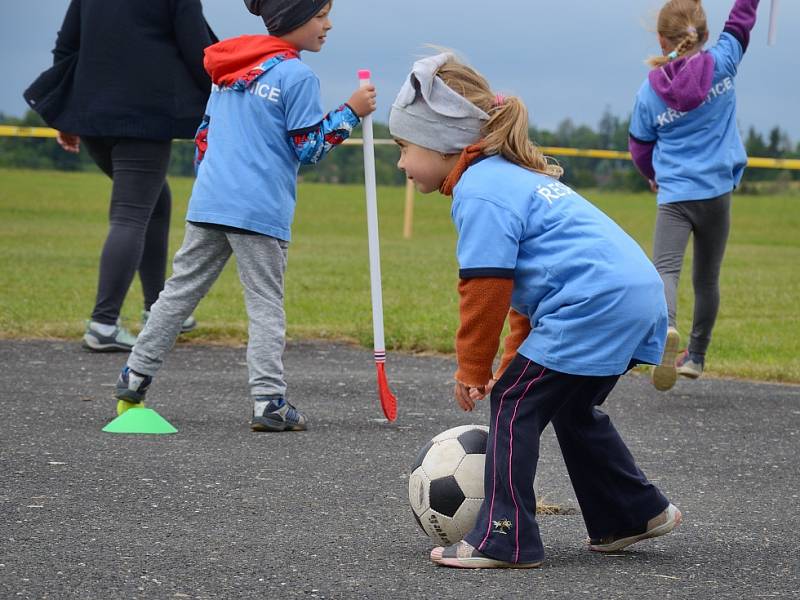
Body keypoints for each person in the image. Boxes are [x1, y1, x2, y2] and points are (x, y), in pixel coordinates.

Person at [389, 53, 680, 569]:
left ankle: (506, 538)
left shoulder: (479, 191)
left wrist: (474, 371)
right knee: (569, 408)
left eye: (404, 147)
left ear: (441, 143)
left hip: (593, 304)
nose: (401, 163)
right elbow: (531, 300)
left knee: (512, 406)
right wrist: (508, 366)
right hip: (631, 296)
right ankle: (631, 512)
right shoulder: (509, 177)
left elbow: (486, 288)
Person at [111, 0, 377, 432]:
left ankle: (134, 376)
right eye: (320, 16)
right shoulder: (297, 76)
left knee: (177, 294)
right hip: (260, 210)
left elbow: (204, 135)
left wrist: (214, 184)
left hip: (210, 201)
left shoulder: (228, 71)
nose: (328, 25)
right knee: (265, 305)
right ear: (293, 20)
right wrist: (351, 112)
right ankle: (269, 401)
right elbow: (308, 147)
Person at [25, 0, 218, 352]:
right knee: (130, 215)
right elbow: (198, 51)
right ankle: (103, 323)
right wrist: (224, 103)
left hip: (94, 117)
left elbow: (66, 46)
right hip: (144, 118)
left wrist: (65, 114)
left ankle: (158, 310)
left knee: (156, 202)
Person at [629, 0, 761, 390]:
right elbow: (741, 20)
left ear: (661, 37)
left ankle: (666, 329)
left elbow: (639, 145)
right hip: (718, 193)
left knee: (665, 270)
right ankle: (697, 356)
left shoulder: (649, 91)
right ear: (704, 34)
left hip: (675, 196)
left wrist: (652, 175)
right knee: (707, 280)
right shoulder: (724, 62)